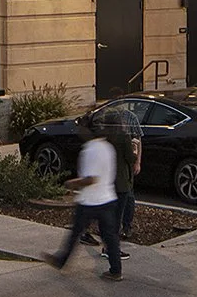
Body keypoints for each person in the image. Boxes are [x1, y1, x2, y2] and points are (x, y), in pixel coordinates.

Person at [46, 112, 124, 278]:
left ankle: (61, 260)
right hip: (108, 198)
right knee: (110, 237)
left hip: (90, 201)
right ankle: (116, 270)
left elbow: (91, 179)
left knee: (75, 233)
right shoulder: (108, 147)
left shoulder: (90, 150)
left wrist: (70, 183)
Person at [102, 107, 140, 239]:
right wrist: (134, 149)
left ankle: (107, 238)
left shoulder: (104, 137)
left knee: (109, 212)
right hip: (122, 180)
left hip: (108, 179)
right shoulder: (123, 136)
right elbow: (130, 158)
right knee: (120, 211)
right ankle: (114, 241)